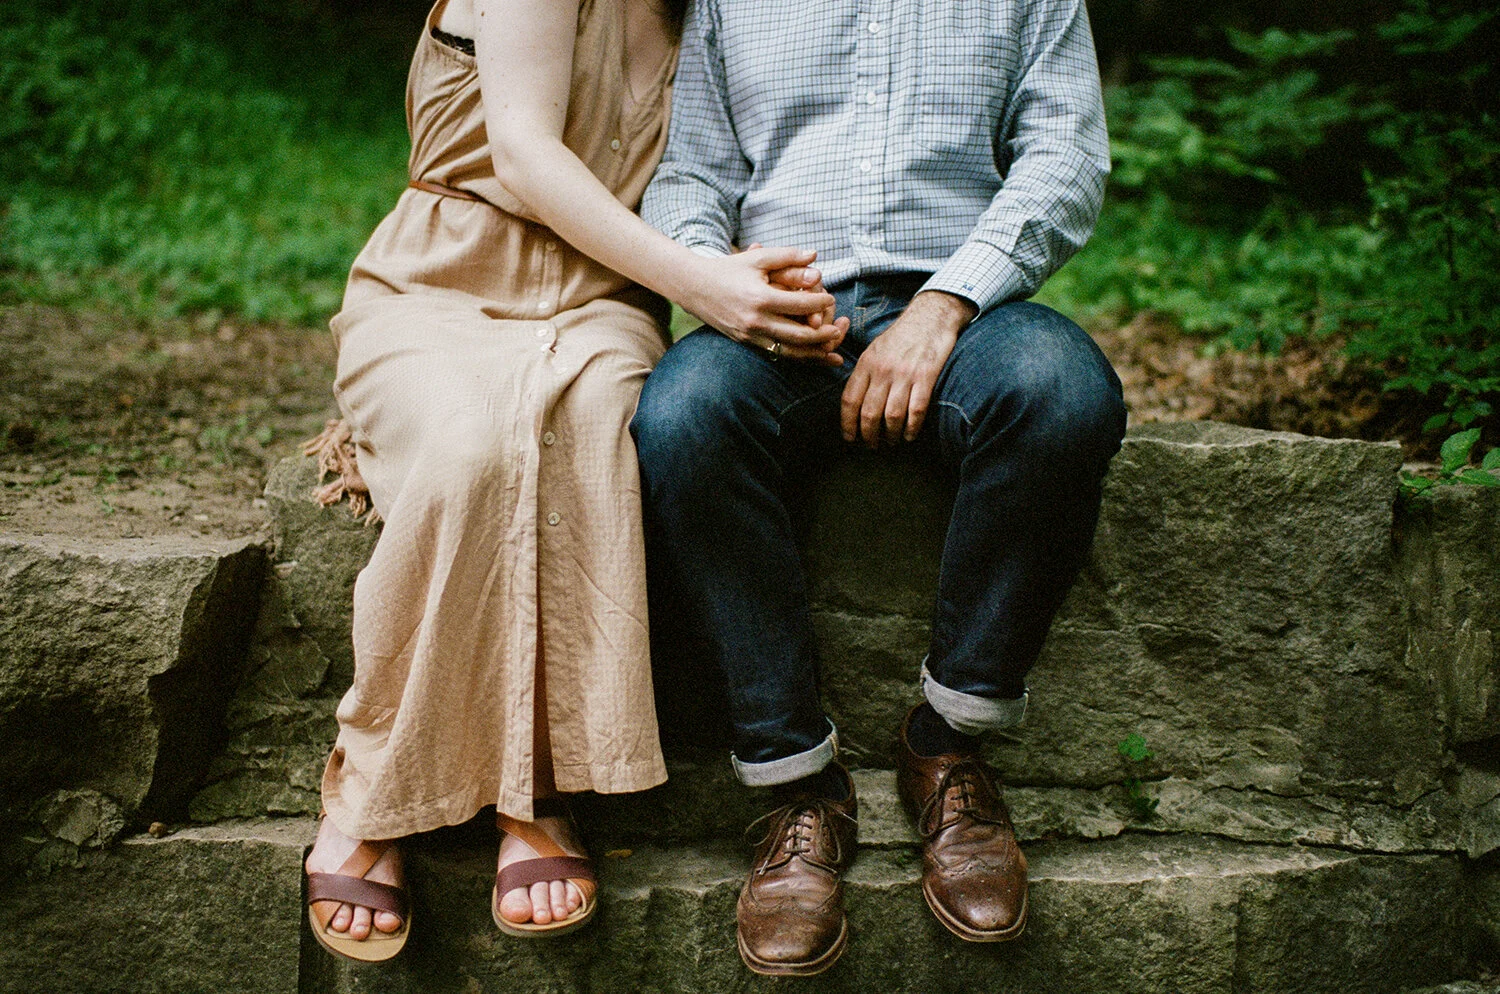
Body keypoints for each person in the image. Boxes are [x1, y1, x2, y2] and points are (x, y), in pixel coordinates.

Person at [301, 0, 846, 962]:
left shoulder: (721, 22)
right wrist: (705, 285)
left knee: (593, 437)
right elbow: (520, 150)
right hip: (445, 283)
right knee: (475, 447)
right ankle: (372, 787)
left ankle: (536, 790)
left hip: (607, 304)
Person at [631, 0, 1128, 976]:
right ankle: (800, 790)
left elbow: (1065, 158)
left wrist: (946, 303)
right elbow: (692, 170)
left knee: (1064, 392)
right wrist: (725, 279)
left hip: (968, 311)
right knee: (681, 415)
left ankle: (946, 749)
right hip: (781, 318)